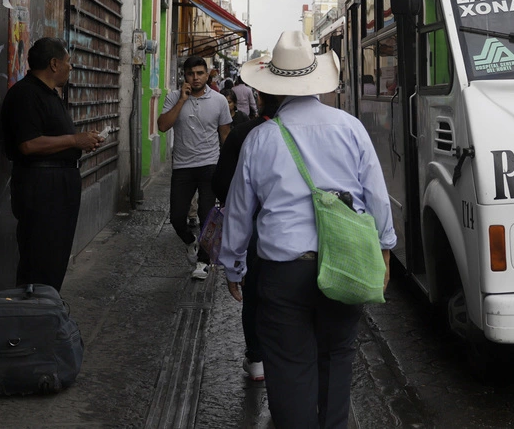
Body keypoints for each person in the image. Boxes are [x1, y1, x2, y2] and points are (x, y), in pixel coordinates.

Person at [220, 30, 395, 429]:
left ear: (273, 86)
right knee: (337, 359)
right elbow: (377, 197)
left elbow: (239, 210)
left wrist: (233, 265)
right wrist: (384, 250)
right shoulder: (350, 128)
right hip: (346, 263)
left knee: (289, 368)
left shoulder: (261, 138)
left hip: (284, 274)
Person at [0, 37, 102, 292]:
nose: (71, 67)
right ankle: (35, 308)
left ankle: (48, 305)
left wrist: (82, 141)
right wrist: (74, 140)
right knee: (40, 258)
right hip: (41, 187)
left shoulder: (50, 94)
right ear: (54, 64)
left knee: (55, 256)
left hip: (60, 185)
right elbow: (28, 144)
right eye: (68, 62)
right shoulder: (25, 94)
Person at [212, 88, 282, 383]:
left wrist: (233, 263)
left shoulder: (246, 134)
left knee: (253, 290)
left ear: (260, 98)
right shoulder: (336, 129)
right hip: (305, 236)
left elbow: (223, 185)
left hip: (254, 227)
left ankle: (256, 356)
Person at [157, 55, 232, 280]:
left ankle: (203, 262)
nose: (195, 78)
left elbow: (225, 135)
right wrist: (182, 100)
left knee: (206, 215)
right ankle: (191, 242)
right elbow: (163, 126)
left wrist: (228, 167)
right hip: (183, 166)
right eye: (191, 74)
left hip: (210, 164)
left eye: (200, 73)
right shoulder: (173, 98)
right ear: (184, 76)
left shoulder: (219, 100)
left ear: (207, 75)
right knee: (177, 217)